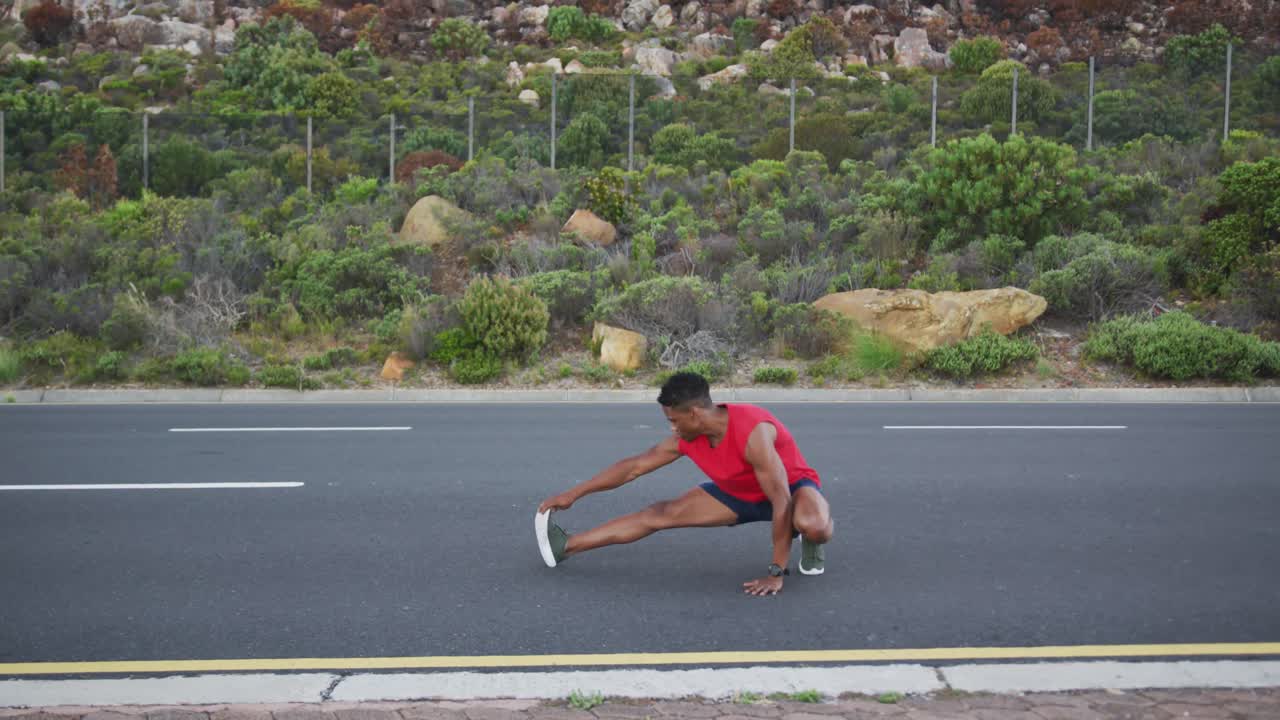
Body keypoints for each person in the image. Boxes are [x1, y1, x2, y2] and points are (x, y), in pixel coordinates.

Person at [535, 371, 833, 596]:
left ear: (695, 413)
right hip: (738, 495)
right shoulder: (688, 438)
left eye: (674, 420)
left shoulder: (753, 431)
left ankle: (808, 541)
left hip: (792, 489)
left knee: (814, 524)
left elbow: (780, 499)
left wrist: (776, 571)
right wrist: (573, 494)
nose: (672, 428)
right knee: (659, 514)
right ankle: (567, 546)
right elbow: (634, 468)